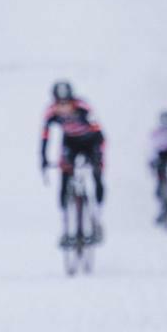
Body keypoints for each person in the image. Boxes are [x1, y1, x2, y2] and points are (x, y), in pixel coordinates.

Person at [41, 81, 105, 244]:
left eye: (67, 103)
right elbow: (45, 137)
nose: (63, 108)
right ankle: (65, 225)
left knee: (97, 176)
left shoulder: (83, 107)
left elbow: (98, 131)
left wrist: (98, 156)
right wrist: (43, 159)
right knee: (64, 178)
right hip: (70, 143)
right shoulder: (51, 112)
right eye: (59, 103)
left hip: (91, 142)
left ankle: (97, 217)